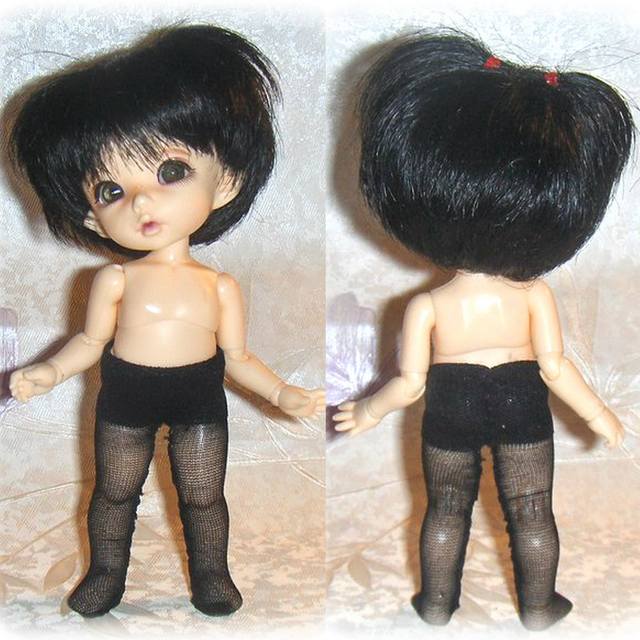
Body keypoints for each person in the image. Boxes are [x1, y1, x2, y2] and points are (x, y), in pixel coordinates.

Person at [8, 24, 324, 618]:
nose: (142, 202)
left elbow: (237, 357)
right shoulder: (115, 280)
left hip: (198, 395)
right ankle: (105, 574)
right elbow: (89, 341)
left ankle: (212, 576)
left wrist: (280, 391)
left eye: (170, 171)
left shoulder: (219, 286)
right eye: (110, 190)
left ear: (224, 180)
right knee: (114, 492)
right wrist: (48, 372)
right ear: (93, 219)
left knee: (203, 495)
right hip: (125, 393)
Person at [334, 31, 633, 631]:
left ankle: (436, 604)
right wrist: (597, 413)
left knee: (445, 509)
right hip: (521, 396)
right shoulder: (533, 294)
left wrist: (368, 410)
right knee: (531, 510)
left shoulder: (428, 304)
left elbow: (410, 383)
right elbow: (554, 367)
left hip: (453, 402)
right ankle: (538, 606)